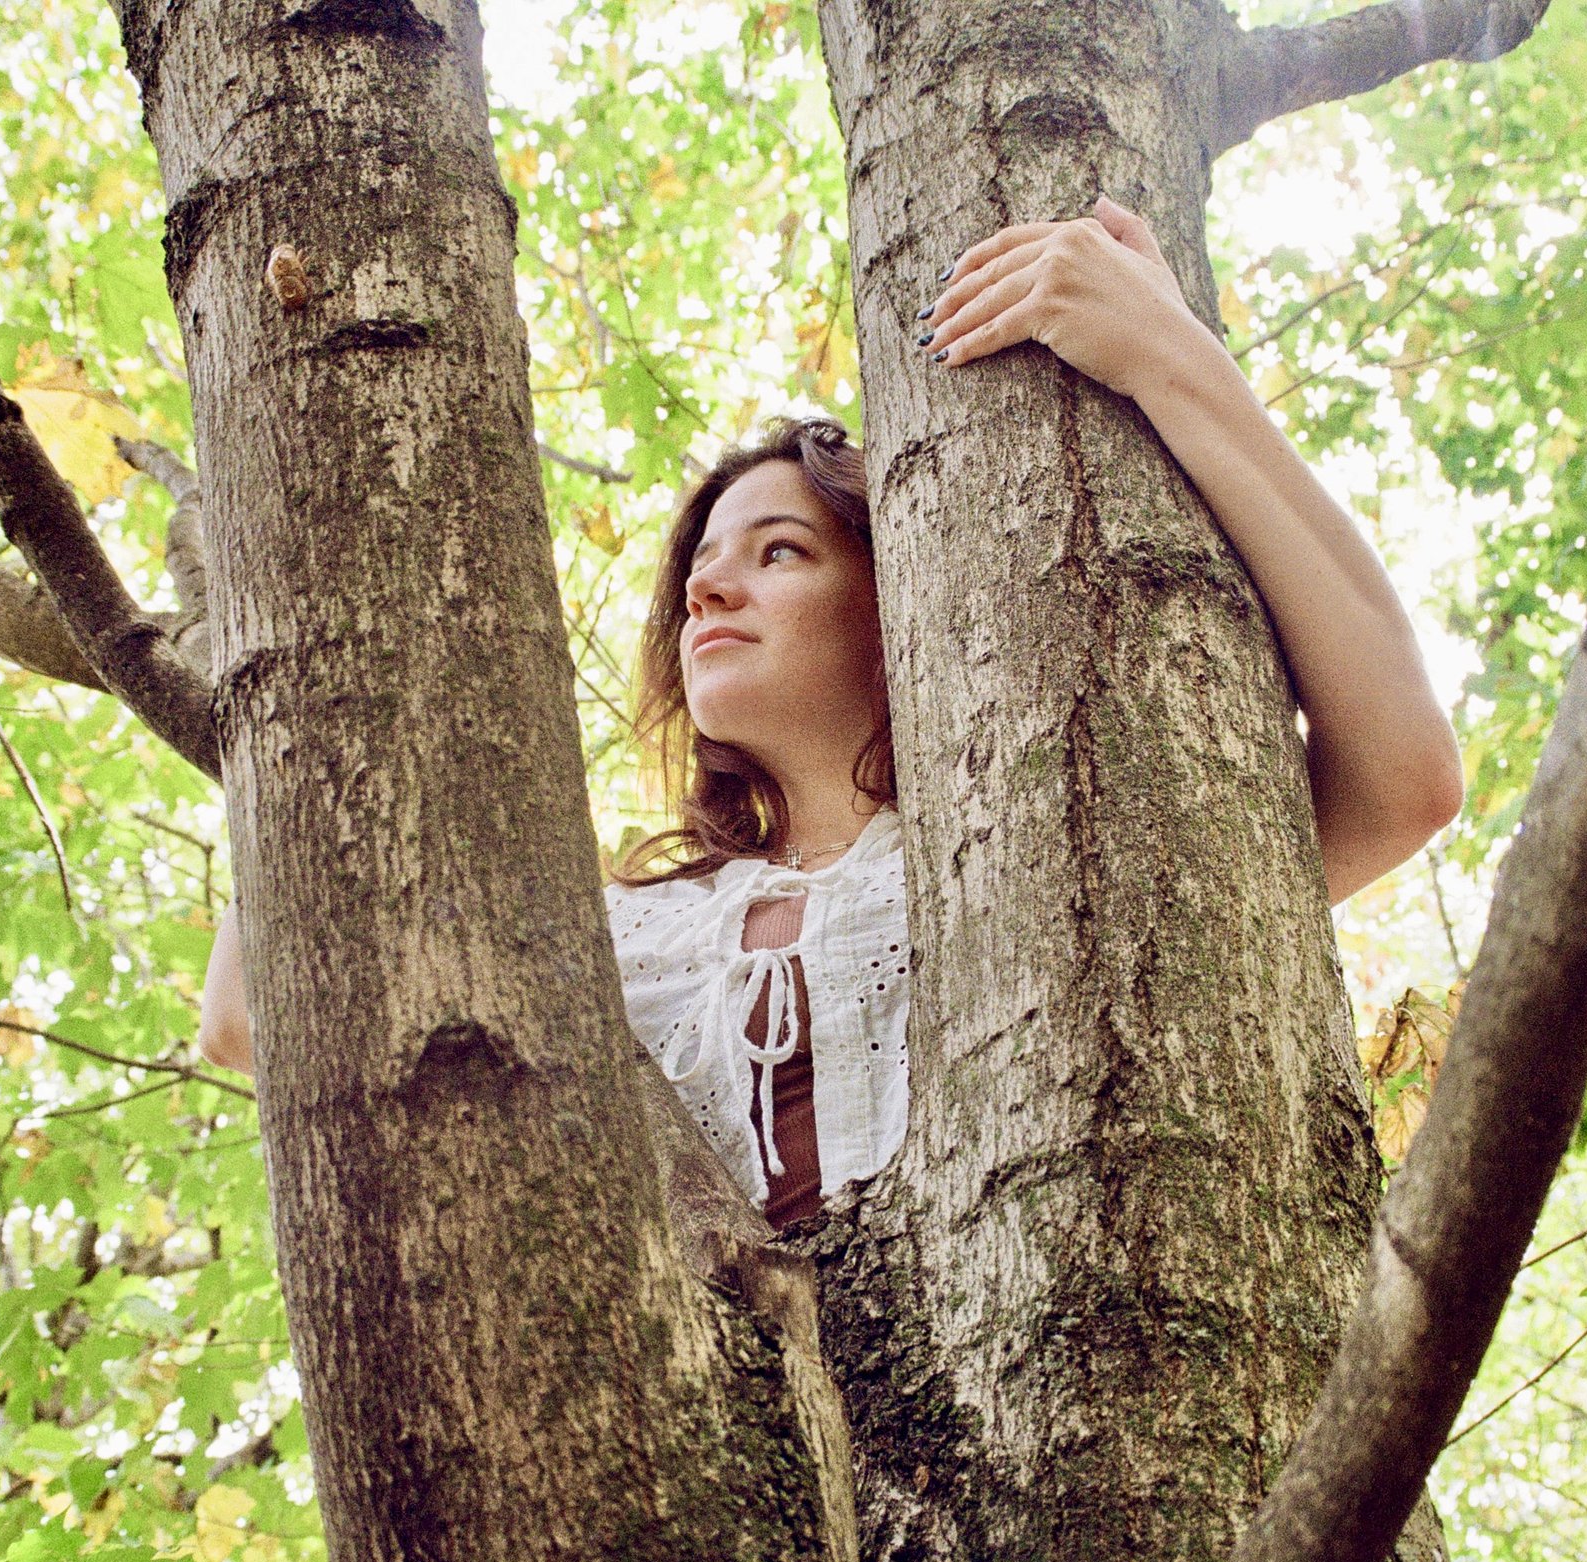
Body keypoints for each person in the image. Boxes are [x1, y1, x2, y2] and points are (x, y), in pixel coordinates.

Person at [198, 195, 1464, 1230]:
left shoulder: (1072, 830)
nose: (707, 588)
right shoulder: (613, 935)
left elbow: (1403, 776)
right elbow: (258, 1018)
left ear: (898, 600)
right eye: (702, 569)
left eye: (780, 551)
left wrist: (1168, 359)